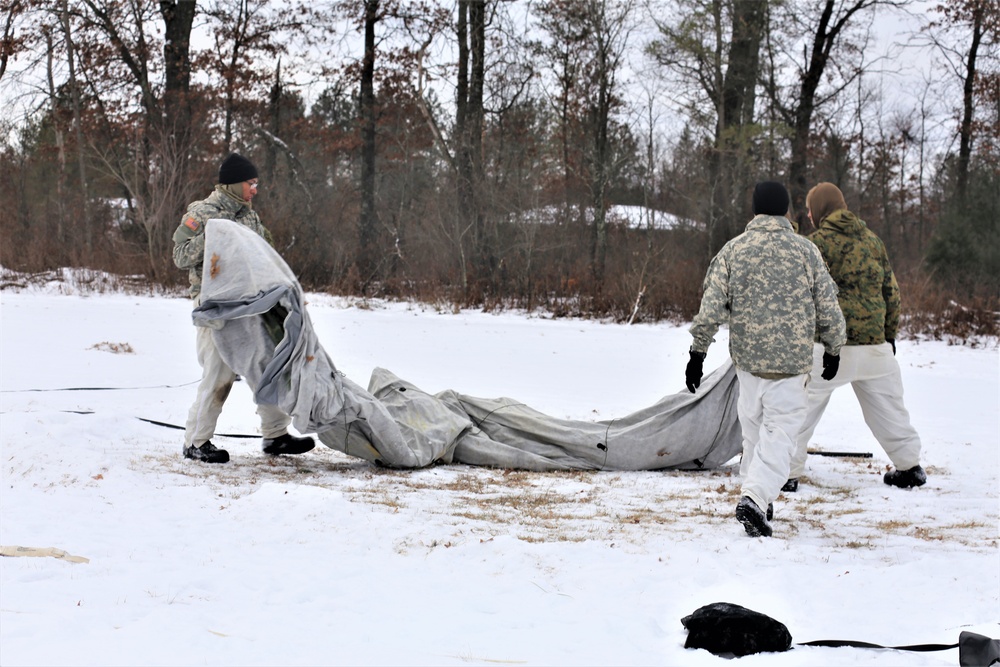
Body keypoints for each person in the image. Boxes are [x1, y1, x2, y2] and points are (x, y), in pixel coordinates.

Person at [686, 181, 846, 537]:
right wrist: (834, 348)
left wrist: (698, 353)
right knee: (780, 437)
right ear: (787, 209)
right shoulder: (806, 252)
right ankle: (755, 499)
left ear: (754, 209)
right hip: (790, 366)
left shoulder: (734, 251)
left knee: (755, 436)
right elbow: (828, 306)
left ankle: (758, 499)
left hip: (748, 365)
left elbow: (711, 307)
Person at [172, 152, 315, 464]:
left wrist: (286, 292)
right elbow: (180, 255)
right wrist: (213, 239)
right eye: (251, 183)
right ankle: (196, 442)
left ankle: (276, 435)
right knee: (218, 372)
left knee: (267, 366)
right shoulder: (203, 212)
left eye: (256, 183)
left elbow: (267, 256)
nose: (255, 189)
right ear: (235, 183)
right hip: (216, 307)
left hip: (251, 304)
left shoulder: (250, 217)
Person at [785, 182, 926, 491]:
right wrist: (888, 335)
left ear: (819, 210)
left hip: (830, 350)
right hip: (875, 348)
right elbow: (891, 291)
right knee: (889, 411)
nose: (809, 215)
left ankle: (786, 473)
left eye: (810, 209)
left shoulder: (815, 244)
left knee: (800, 409)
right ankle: (909, 466)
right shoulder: (873, 241)